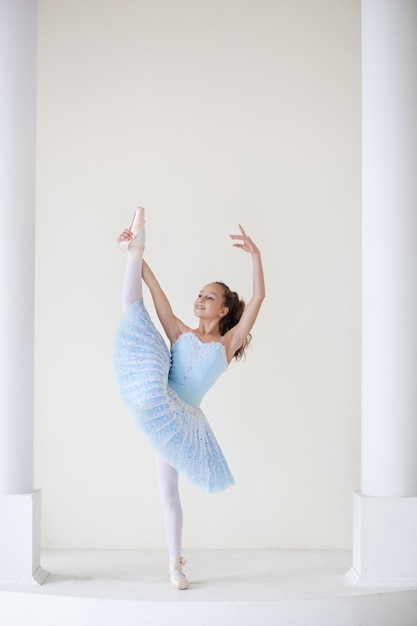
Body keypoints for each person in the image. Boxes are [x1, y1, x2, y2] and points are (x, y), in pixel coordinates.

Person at [114, 207, 265, 590]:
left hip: (186, 419)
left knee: (169, 491)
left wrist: (256, 256)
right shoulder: (179, 332)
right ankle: (136, 248)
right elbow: (157, 294)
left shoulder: (226, 345)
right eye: (199, 295)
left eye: (209, 297)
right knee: (133, 310)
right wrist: (139, 256)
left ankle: (174, 564)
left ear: (224, 310)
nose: (200, 299)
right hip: (161, 400)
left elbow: (260, 297)